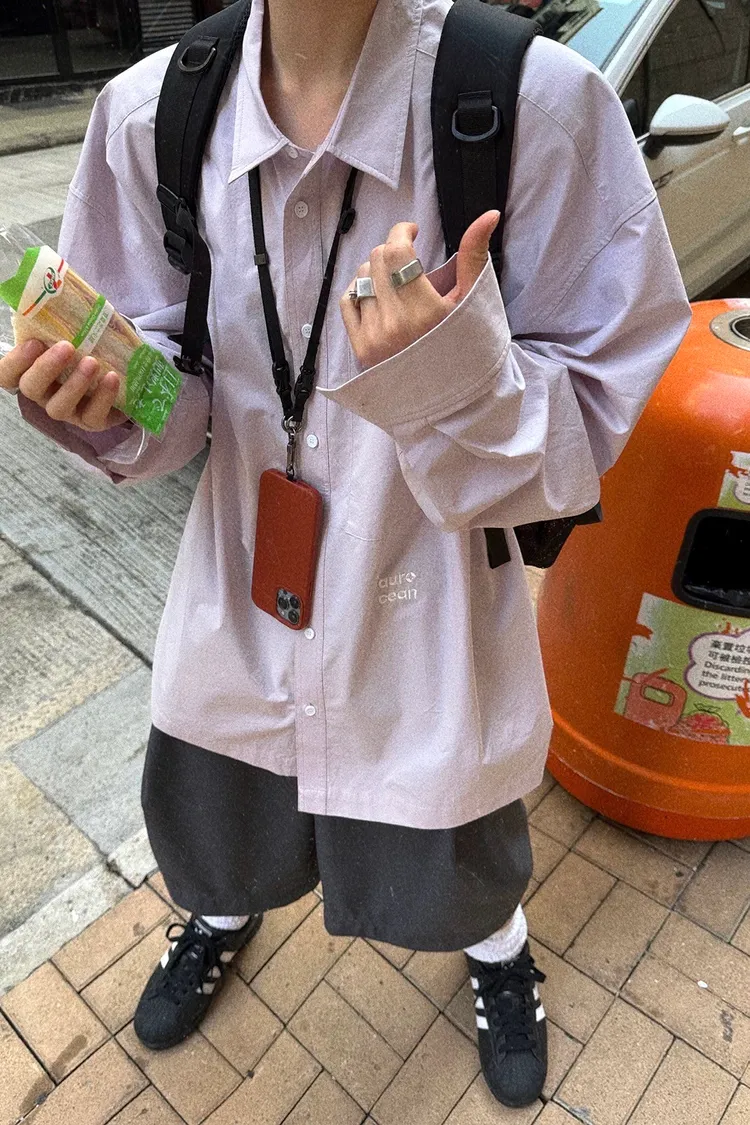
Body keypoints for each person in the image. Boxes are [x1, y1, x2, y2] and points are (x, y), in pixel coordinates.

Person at [0, 0, 691, 1108]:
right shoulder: (149, 117)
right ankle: (219, 912)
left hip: (434, 604)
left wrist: (450, 380)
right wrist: (111, 400)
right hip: (239, 589)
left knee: (465, 842)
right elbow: (185, 402)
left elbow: (594, 422)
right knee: (223, 814)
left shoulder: (536, 108)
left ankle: (499, 947)